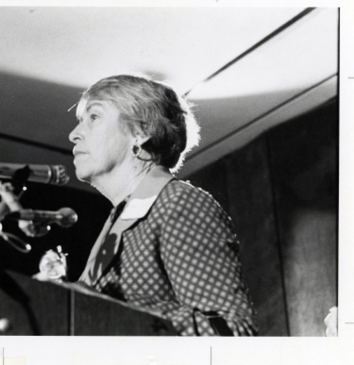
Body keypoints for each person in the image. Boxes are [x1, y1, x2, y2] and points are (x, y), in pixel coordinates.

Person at [68, 74, 257, 336]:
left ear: (140, 133)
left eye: (94, 117)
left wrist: (111, 308)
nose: (74, 134)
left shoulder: (178, 203)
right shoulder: (116, 221)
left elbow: (231, 333)